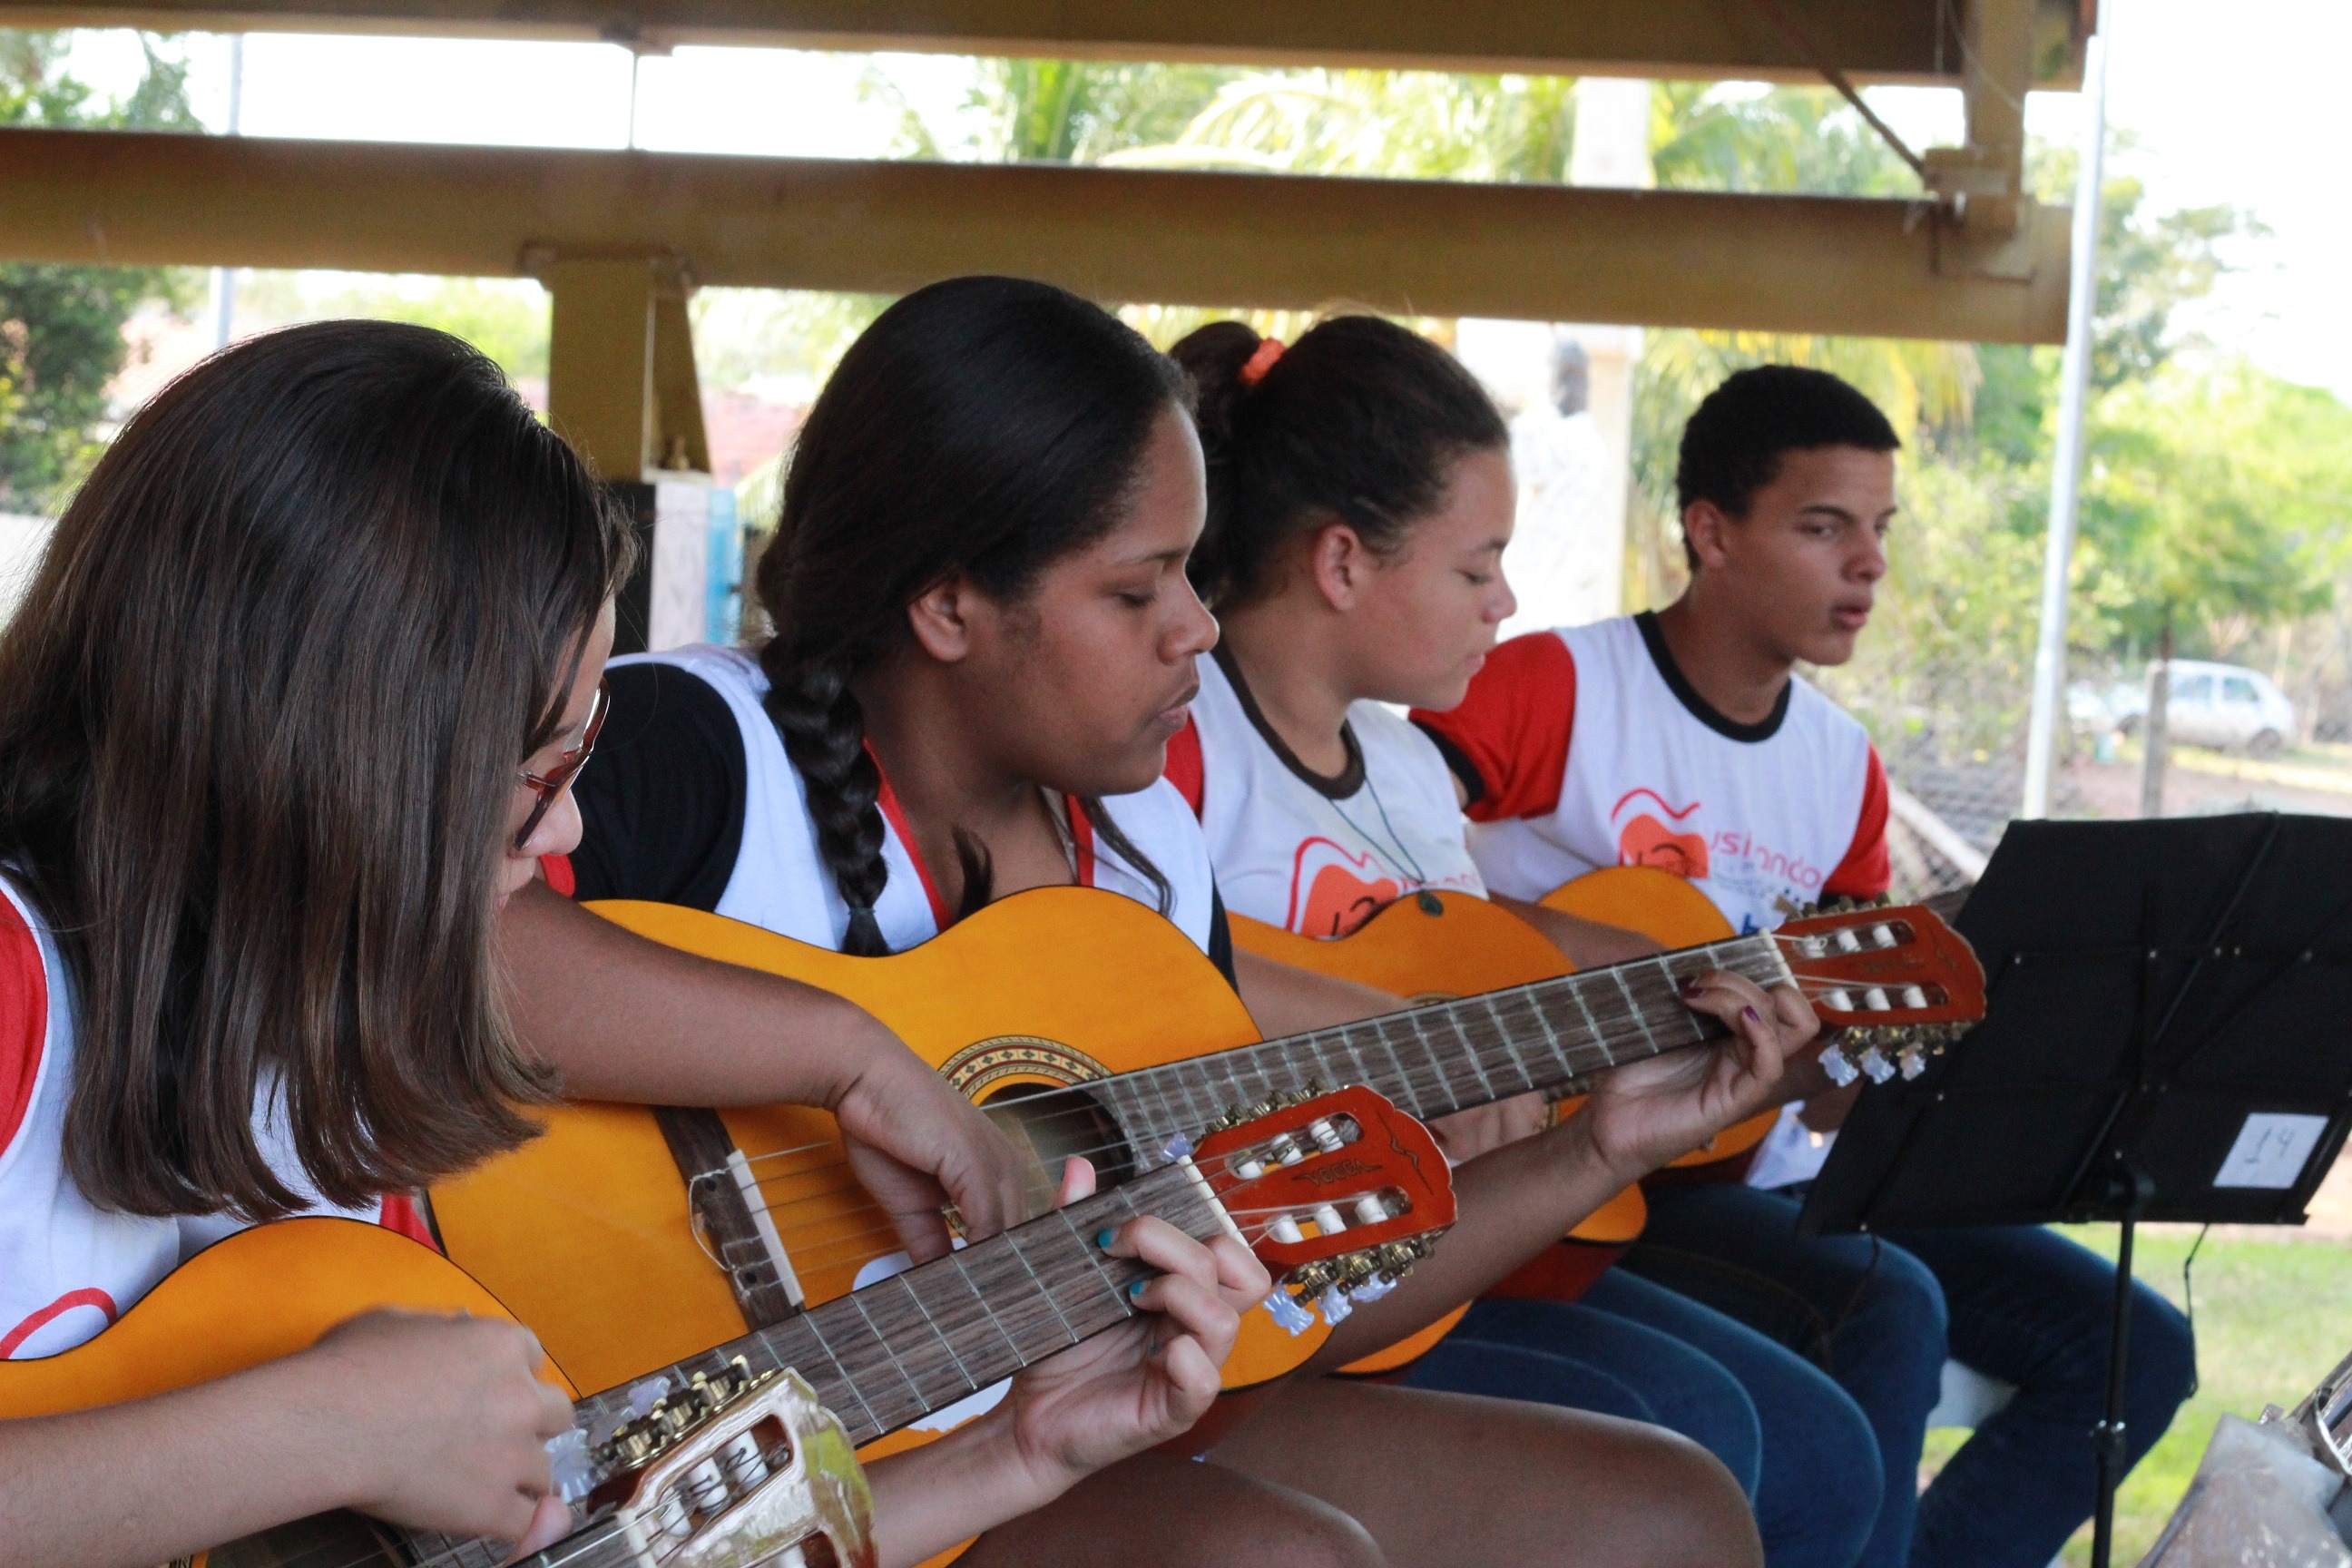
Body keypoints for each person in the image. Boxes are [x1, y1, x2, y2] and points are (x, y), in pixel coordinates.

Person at [546, 274, 1802, 1567]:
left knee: (1670, 1514)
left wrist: (1598, 1150)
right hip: (713, 1455)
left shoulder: (1144, 853)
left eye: (1189, 578)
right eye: (1139, 591)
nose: (1199, 629)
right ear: (949, 604)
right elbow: (439, 963)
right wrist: (856, 1062)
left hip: (1028, 1430)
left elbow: (1294, 1306)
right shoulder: (695, 746)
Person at [0, 320, 1256, 1568]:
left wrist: (1013, 1456)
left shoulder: (327, 1076)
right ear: (327, 760)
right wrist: (318, 1429)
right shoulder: (19, 983)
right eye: (541, 769)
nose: (575, 824)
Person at [1416, 363, 2198, 1568]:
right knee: (1885, 1303)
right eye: (1825, 527)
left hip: (1774, 1168)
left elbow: (1829, 1095)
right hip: (1598, 1181)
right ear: (1710, 532)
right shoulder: (1556, 688)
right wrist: (1615, 962)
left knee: (2132, 1343)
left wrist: (1938, 1013)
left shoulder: (1844, 769)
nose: (1869, 565)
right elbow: (1385, 878)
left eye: (1879, 530)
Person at [1165, 316, 1882, 1568]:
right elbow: (1162, 975)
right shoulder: (1179, 740)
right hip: (1253, 1291)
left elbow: (1484, 964)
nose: (1507, 602)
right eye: (1476, 567)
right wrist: (1426, 1055)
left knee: (1822, 1449)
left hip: (1425, 1264)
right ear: (1342, 562)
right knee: (1710, 1431)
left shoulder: (1401, 768)